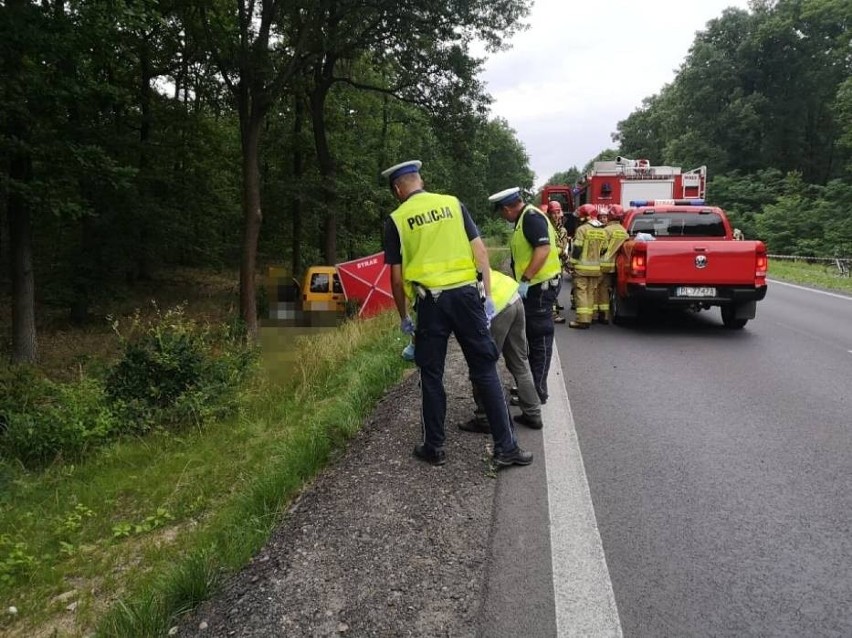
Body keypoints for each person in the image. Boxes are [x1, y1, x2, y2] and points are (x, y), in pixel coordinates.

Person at [382, 160, 532, 468]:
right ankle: (507, 447)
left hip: (430, 303)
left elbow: (396, 279)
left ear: (398, 189)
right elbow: (479, 252)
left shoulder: (396, 220)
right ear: (420, 180)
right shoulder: (453, 204)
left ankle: (434, 447)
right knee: (485, 370)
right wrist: (488, 296)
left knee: (432, 375)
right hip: (467, 297)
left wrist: (403, 316)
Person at [488, 187, 562, 404]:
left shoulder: (530, 217)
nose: (503, 217)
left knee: (539, 339)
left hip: (540, 287)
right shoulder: (525, 218)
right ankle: (530, 388)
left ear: (507, 208)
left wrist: (526, 279)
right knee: (532, 338)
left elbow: (543, 249)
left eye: (502, 212)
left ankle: (537, 393)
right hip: (538, 287)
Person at [461, 268, 543, 433]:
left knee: (482, 364)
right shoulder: (467, 251)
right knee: (519, 361)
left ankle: (484, 418)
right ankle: (533, 413)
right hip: (512, 296)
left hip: (496, 307)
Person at [569, 204, 608, 329]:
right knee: (591, 292)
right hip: (596, 269)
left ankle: (582, 320)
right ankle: (590, 317)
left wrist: (572, 263)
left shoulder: (582, 230)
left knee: (581, 292)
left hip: (581, 268)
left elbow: (577, 249)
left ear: (584, 217)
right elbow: (604, 249)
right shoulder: (603, 230)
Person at [598, 204, 629, 323]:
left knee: (597, 289)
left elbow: (601, 248)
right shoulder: (624, 232)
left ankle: (598, 315)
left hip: (602, 264)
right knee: (607, 289)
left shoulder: (606, 230)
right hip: (615, 266)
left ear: (610, 216)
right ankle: (606, 314)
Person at [546, 201, 570, 324]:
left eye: (557, 212)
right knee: (552, 289)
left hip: (558, 264)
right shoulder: (546, 227)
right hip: (549, 265)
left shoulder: (562, 229)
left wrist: (566, 260)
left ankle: (552, 310)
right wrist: (560, 250)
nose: (556, 216)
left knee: (556, 288)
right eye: (553, 213)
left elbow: (563, 245)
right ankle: (553, 314)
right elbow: (550, 248)